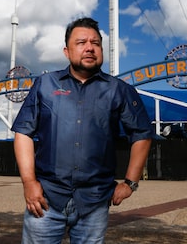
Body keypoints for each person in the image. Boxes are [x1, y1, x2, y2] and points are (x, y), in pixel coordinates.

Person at [12, 17, 153, 244]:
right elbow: (23, 133)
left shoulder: (119, 90)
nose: (89, 48)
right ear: (67, 51)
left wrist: (130, 183)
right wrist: (29, 182)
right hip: (45, 199)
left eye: (95, 43)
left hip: (95, 202)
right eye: (81, 42)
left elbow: (142, 134)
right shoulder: (45, 85)